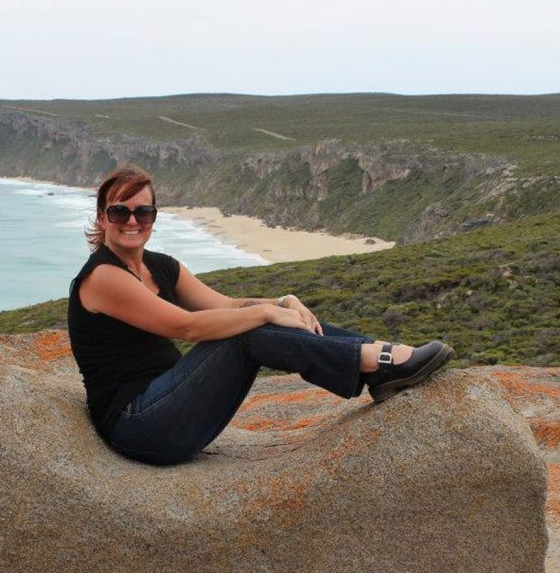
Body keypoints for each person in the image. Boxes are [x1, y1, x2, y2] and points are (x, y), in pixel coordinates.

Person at [68, 166, 453, 466]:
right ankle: (375, 362)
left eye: (142, 211)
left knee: (257, 320)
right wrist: (265, 313)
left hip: (175, 408)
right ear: (102, 219)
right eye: (119, 211)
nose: (132, 221)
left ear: (154, 217)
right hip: (137, 426)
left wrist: (284, 302)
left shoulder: (162, 266)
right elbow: (184, 326)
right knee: (250, 331)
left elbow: (228, 305)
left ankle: (374, 355)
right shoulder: (103, 277)